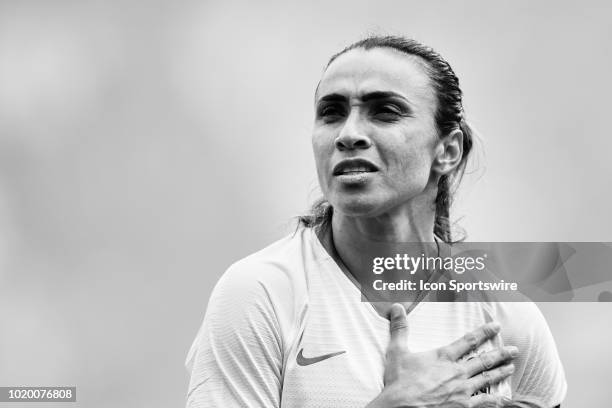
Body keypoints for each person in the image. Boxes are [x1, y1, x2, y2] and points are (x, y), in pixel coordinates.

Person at [185, 36, 567, 408]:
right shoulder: (260, 293)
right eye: (331, 113)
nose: (348, 134)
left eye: (385, 111)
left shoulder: (505, 315)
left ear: (447, 150)